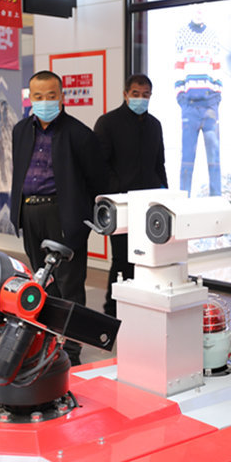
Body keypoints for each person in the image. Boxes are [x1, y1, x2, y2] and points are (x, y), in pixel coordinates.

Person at [9, 70, 108, 365]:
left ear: (62, 97)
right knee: (40, 281)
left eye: (51, 96)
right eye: (37, 96)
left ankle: (73, 348)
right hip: (30, 212)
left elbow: (97, 181)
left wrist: (81, 221)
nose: (44, 102)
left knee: (70, 283)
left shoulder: (79, 134)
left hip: (63, 215)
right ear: (30, 98)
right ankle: (47, 339)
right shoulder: (20, 130)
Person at [93, 73, 168, 316]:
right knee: (122, 259)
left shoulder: (155, 125)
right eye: (135, 94)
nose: (140, 99)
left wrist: (164, 196)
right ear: (125, 94)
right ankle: (112, 309)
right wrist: (116, 193)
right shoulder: (107, 123)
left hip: (150, 204)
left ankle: (141, 306)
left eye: (145, 95)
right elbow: (100, 166)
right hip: (121, 204)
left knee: (148, 258)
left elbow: (160, 164)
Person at [175, 0, 223, 197]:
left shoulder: (213, 35)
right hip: (190, 106)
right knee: (187, 158)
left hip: (209, 104)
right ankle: (183, 199)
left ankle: (216, 199)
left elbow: (217, 69)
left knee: (214, 157)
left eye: (202, 3)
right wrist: (182, 99)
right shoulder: (182, 35)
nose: (199, 8)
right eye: (195, 3)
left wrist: (215, 99)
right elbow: (178, 69)